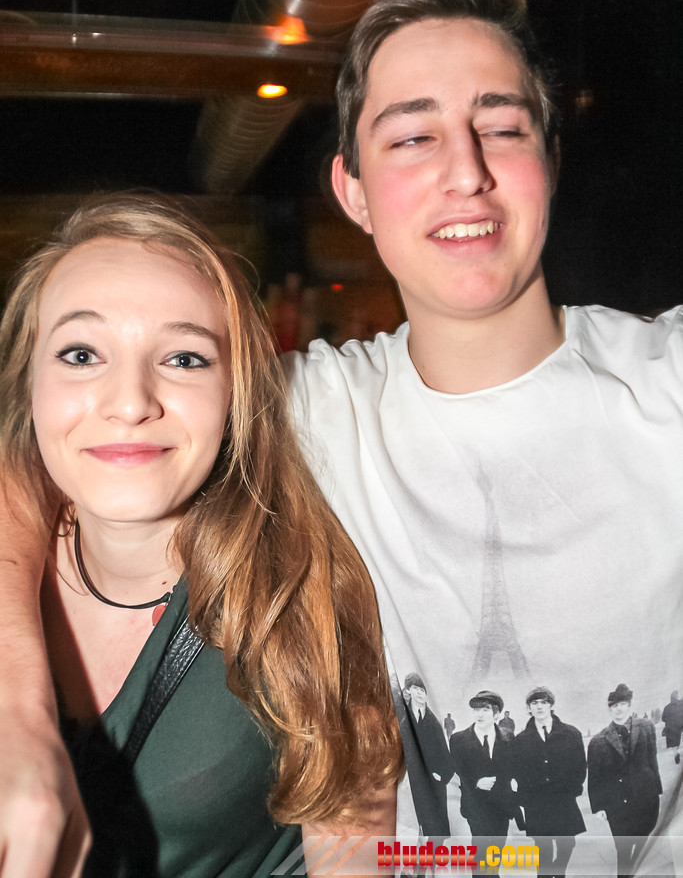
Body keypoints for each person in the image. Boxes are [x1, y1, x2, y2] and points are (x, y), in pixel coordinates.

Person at [1, 0, 683, 875]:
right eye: (412, 137)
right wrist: (18, 717)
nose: (465, 172)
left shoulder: (666, 383)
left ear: (549, 162)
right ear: (351, 193)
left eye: (501, 126)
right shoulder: (310, 406)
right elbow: (43, 458)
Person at [0, 196, 401, 877]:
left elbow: (354, 853)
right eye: (81, 353)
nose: (131, 402)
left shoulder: (304, 599)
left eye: (185, 358)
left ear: (236, 396)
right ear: (29, 383)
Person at [588, 683, 662, 878]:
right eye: (614, 706)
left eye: (622, 704)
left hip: (645, 796)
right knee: (623, 848)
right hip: (618, 804)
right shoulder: (598, 741)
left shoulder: (646, 727)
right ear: (609, 709)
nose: (618, 709)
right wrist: (598, 806)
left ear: (629, 705)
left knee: (643, 837)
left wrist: (657, 789)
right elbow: (594, 777)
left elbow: (652, 758)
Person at [511, 688, 585, 877]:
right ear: (529, 708)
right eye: (534, 703)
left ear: (551, 705)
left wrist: (571, 789)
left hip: (563, 799)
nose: (539, 707)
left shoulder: (571, 734)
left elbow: (579, 766)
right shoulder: (520, 740)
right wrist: (527, 795)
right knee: (542, 847)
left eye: (544, 702)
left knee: (567, 843)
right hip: (536, 803)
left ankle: (558, 873)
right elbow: (518, 771)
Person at [449, 691, 516, 872]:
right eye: (476, 710)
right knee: (480, 854)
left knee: (496, 852)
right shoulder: (458, 739)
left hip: (501, 805)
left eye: (485, 710)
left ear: (496, 714)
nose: (479, 714)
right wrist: (475, 783)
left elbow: (513, 766)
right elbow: (458, 768)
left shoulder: (508, 737)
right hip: (476, 805)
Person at [399, 672, 454, 839]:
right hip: (409, 785)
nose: (420, 693)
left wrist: (441, 776)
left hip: (433, 783)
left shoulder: (434, 723)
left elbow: (445, 756)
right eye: (416, 688)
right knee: (410, 831)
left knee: (435, 833)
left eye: (423, 690)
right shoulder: (402, 719)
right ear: (408, 691)